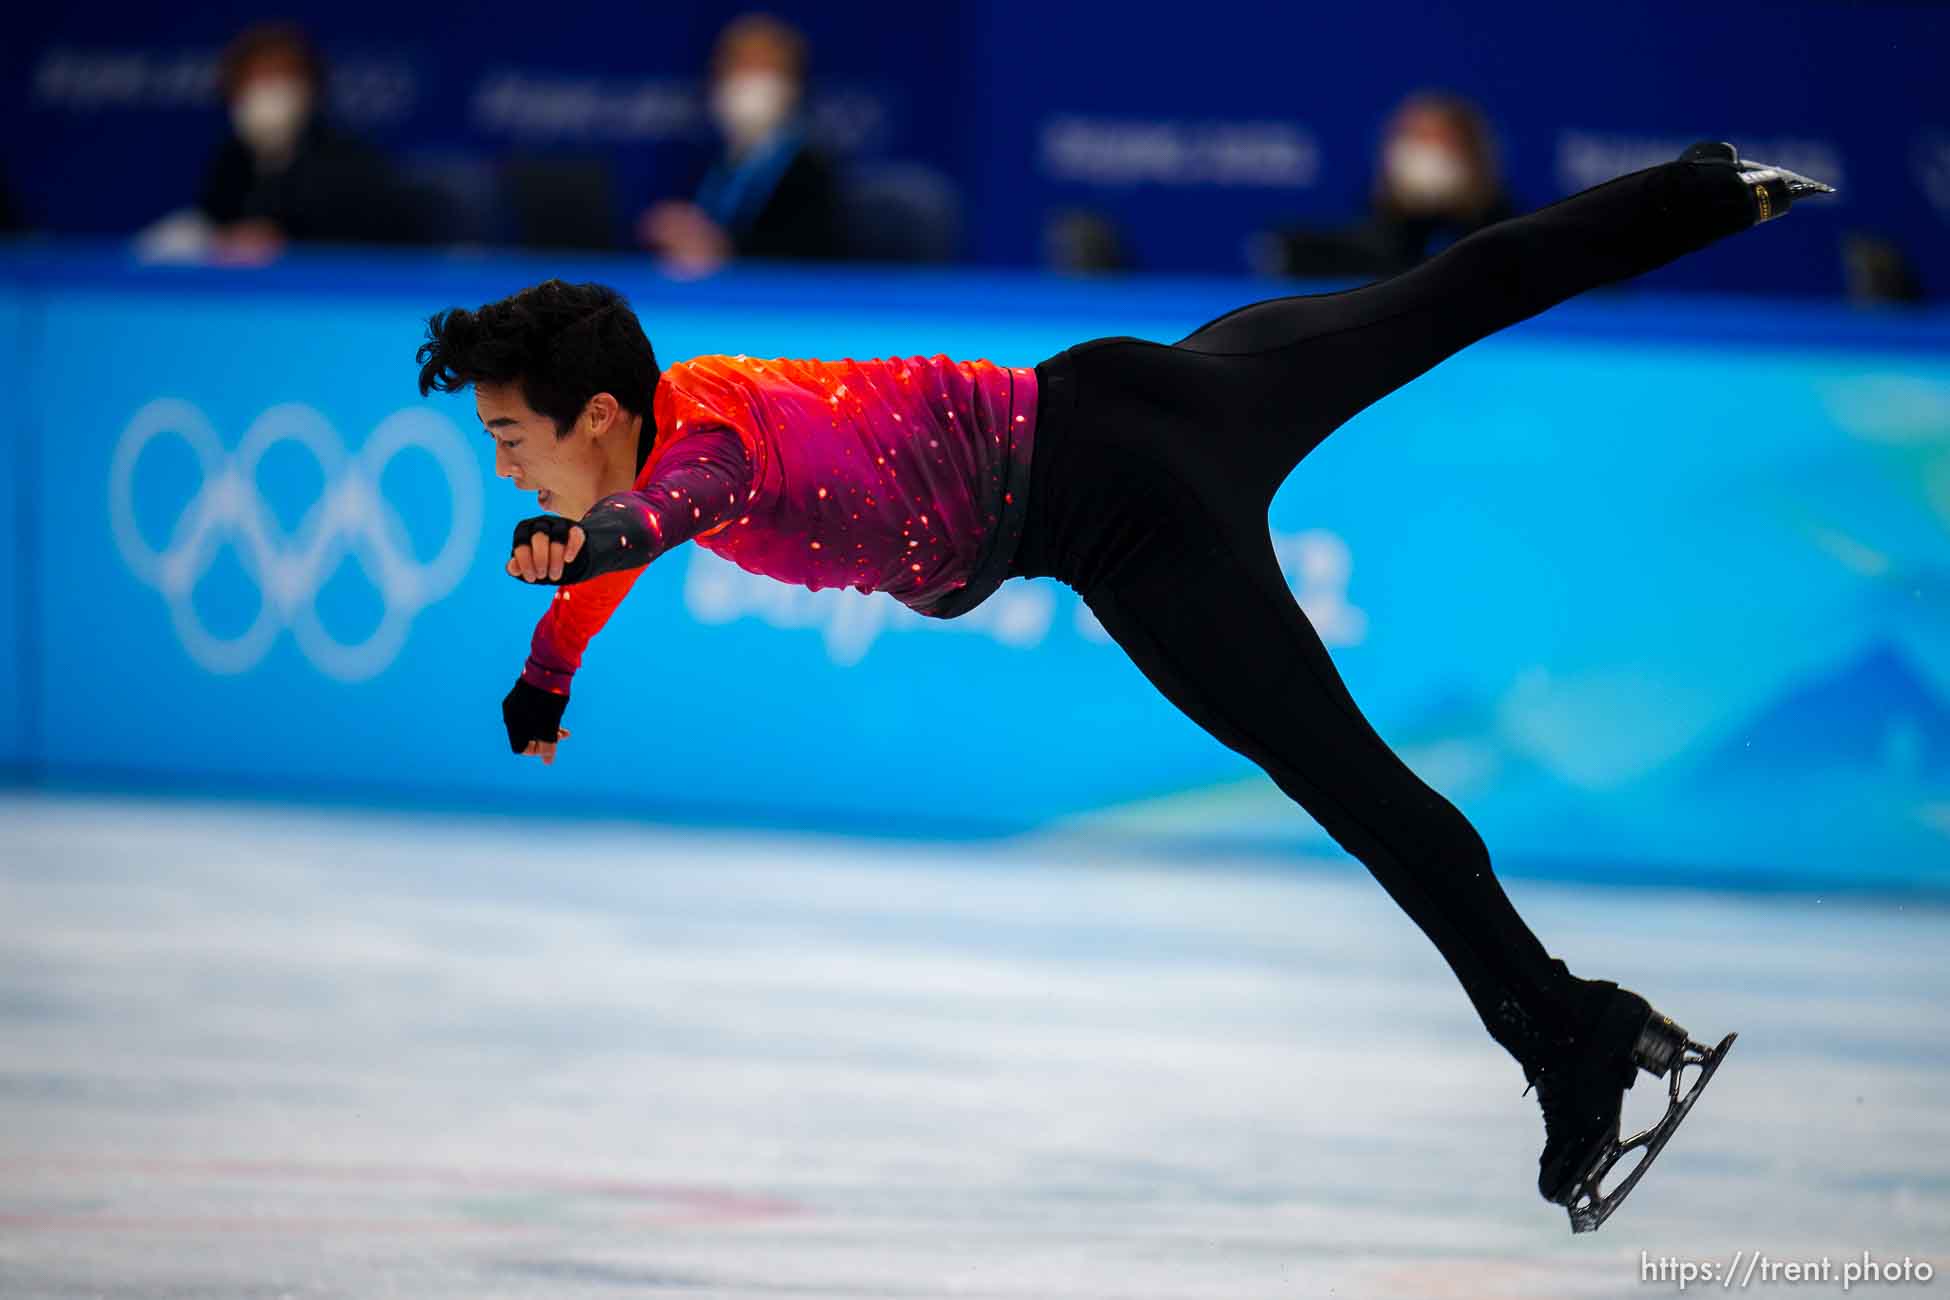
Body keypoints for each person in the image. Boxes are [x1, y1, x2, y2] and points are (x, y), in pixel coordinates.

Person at [414, 142, 1833, 1233]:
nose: (503, 466)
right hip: (1134, 391)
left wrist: (578, 542)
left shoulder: (693, 464)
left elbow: (645, 526)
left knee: (1351, 784)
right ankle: (1711, 187)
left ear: (597, 418)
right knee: (1434, 297)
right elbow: (635, 533)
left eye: (510, 437)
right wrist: (548, 674)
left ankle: (1572, 1035)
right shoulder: (693, 400)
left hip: (1116, 508)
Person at [188, 22, 425, 259]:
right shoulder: (231, 159)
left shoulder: (351, 164)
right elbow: (217, 230)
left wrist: (283, 241)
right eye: (256, 80)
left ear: (310, 87)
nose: (267, 92)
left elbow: (368, 244)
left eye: (280, 79)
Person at [636, 13, 848, 274]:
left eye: (765, 69)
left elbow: (808, 256)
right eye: (738, 68)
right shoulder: (726, 162)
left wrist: (720, 250)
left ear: (793, 84)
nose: (747, 83)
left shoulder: (812, 168)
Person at [1255, 90, 1517, 279]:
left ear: (1470, 153)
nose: (1420, 153)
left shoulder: (1509, 232)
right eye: (1411, 138)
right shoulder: (1375, 229)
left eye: (1434, 140)